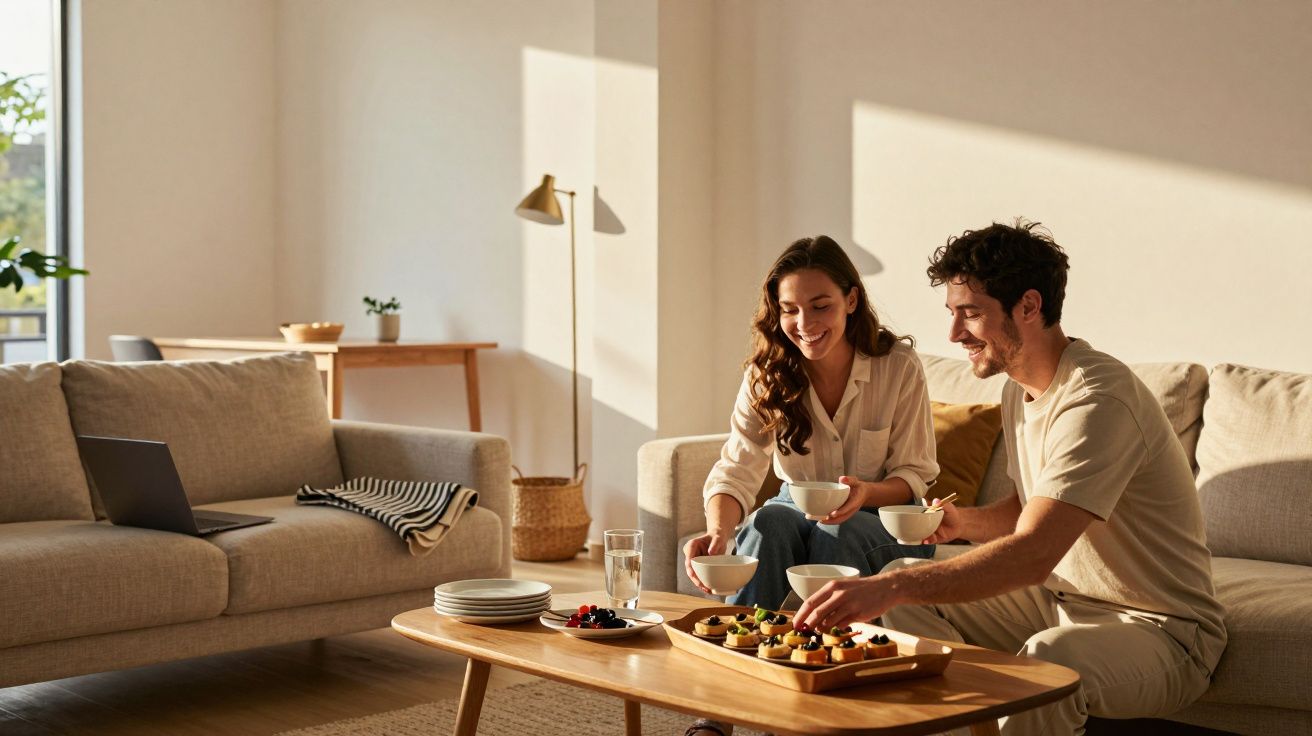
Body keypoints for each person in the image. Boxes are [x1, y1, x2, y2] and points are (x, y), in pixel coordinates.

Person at [796, 220, 1226, 735]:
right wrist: (960, 523)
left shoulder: (1097, 399)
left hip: (1160, 628)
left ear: (1028, 305)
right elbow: (1031, 508)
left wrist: (893, 587)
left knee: (1043, 662)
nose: (954, 334)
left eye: (971, 314)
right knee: (900, 598)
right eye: (952, 314)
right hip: (1059, 600)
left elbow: (1033, 552)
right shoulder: (1014, 390)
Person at [683, 234, 939, 612]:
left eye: (820, 306)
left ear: (851, 300)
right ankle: (743, 648)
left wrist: (865, 493)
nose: (805, 323)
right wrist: (718, 533)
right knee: (766, 524)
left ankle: (830, 657)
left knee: (838, 530)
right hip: (795, 505)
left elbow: (913, 475)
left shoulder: (898, 367)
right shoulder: (767, 374)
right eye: (790, 309)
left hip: (880, 515)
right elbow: (737, 467)